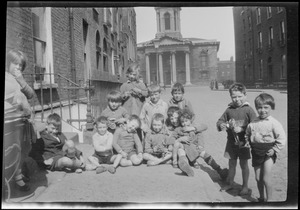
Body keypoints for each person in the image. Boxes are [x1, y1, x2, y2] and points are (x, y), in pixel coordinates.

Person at [216, 83, 257, 196]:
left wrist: (243, 128)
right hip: (231, 142)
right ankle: (230, 182)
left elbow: (255, 125)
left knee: (244, 165)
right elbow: (219, 121)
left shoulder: (248, 110)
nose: (237, 99)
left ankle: (245, 186)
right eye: (234, 97)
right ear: (231, 97)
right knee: (232, 164)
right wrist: (222, 125)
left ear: (245, 95)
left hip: (244, 143)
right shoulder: (229, 110)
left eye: (239, 96)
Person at [245, 93, 286, 202]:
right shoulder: (253, 123)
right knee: (258, 178)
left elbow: (281, 138)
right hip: (256, 151)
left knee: (265, 178)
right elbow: (247, 134)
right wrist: (247, 142)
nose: (262, 110)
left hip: (269, 152)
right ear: (256, 108)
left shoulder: (274, 123)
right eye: (259, 107)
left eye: (266, 107)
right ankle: (262, 197)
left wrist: (275, 149)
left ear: (271, 107)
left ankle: (270, 200)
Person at [5, 49, 36, 191]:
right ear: (8, 63)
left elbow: (30, 95)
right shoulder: (7, 78)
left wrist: (21, 80)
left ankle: (18, 173)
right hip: (10, 120)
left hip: (22, 120)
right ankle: (15, 178)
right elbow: (18, 98)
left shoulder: (18, 78)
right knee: (13, 149)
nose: (18, 68)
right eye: (15, 64)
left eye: (20, 65)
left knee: (24, 147)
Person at [169, 108, 228, 179]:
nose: (184, 123)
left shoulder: (195, 128)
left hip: (195, 147)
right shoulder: (178, 129)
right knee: (180, 151)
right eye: (182, 122)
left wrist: (200, 145)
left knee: (203, 153)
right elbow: (172, 137)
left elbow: (200, 136)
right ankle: (186, 166)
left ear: (190, 120)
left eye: (186, 121)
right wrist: (175, 141)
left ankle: (219, 169)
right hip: (184, 148)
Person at [120, 63, 148, 141]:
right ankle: (128, 143)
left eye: (134, 74)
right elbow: (120, 98)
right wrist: (124, 95)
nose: (132, 76)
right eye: (130, 74)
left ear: (138, 75)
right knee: (128, 126)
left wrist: (139, 91)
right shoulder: (124, 85)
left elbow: (146, 94)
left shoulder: (141, 84)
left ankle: (139, 144)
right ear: (127, 74)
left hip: (138, 110)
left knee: (137, 126)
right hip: (128, 110)